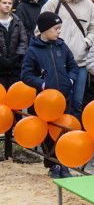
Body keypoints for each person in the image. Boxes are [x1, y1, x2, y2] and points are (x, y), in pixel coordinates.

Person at [21, 11, 77, 178]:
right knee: (48, 132)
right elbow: (26, 74)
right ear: (45, 30)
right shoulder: (33, 50)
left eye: (60, 28)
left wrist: (71, 81)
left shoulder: (61, 45)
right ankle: (52, 164)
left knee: (64, 130)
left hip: (65, 96)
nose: (59, 31)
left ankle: (64, 163)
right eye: (56, 28)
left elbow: (73, 66)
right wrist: (42, 84)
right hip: (46, 101)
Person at [40, 0, 94, 118]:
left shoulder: (88, 4)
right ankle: (57, 137)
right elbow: (39, 31)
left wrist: (85, 43)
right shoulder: (52, 4)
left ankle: (75, 136)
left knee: (77, 101)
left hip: (80, 61)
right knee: (58, 102)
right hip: (56, 62)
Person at [0, 0, 29, 90]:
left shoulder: (17, 21)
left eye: (9, 3)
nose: (7, 5)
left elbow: (23, 41)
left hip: (15, 66)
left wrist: (16, 58)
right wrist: (2, 60)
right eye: (4, 3)